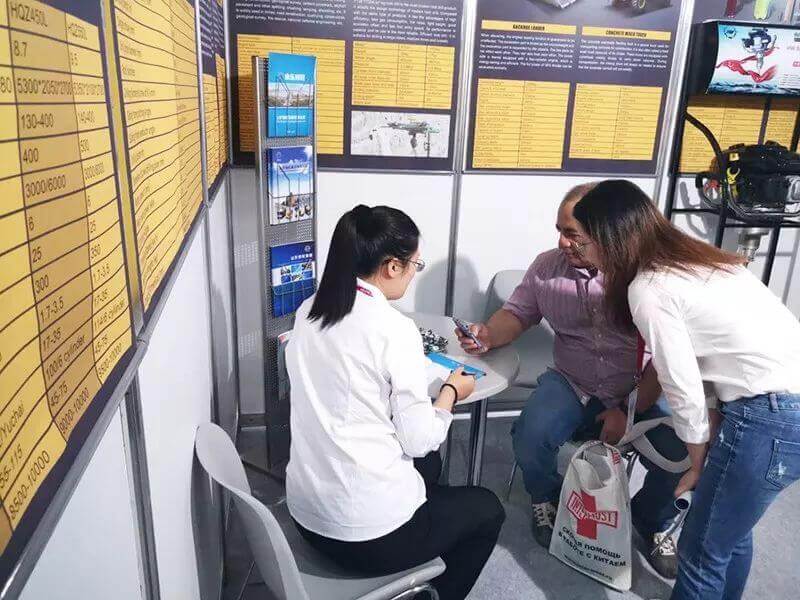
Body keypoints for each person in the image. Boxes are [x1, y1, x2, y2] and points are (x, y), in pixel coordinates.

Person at [571, 179, 800, 599]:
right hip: (783, 407)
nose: (584, 254)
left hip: (768, 416)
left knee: (701, 551)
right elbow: (719, 352)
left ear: (609, 239)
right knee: (730, 534)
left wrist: (697, 459)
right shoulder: (704, 261)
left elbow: (680, 382)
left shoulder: (649, 287)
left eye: (584, 242)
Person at [455, 183, 688, 578]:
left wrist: (628, 410)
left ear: (607, 234)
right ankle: (546, 497)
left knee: (684, 453)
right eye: (559, 230)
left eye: (572, 234)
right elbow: (518, 313)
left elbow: (668, 357)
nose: (562, 242)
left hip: (643, 386)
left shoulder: (647, 278)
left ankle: (653, 518)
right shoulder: (547, 268)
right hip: (573, 381)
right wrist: (489, 334)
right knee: (530, 434)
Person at [285, 205, 505, 600]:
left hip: (306, 516)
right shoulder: (394, 329)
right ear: (391, 266)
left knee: (430, 466)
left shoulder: (309, 311)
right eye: (415, 265)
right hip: (367, 538)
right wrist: (450, 393)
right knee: (487, 509)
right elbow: (419, 440)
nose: (413, 272)